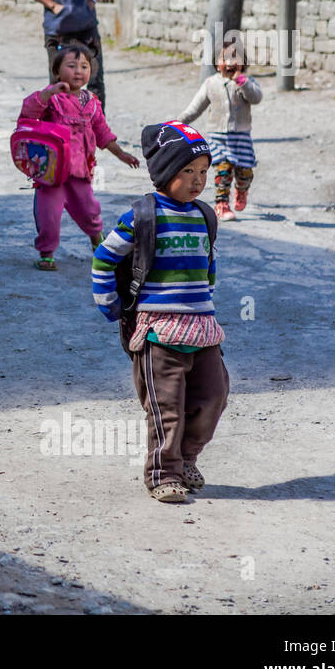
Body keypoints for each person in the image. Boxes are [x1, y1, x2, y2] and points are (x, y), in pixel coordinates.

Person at [91, 122, 229, 504]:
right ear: (165, 172)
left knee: (213, 396)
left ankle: (186, 457)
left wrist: (207, 299)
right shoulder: (142, 216)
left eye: (204, 171)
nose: (198, 180)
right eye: (188, 171)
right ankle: (163, 473)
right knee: (166, 407)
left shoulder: (204, 216)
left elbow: (208, 262)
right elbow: (104, 258)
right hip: (158, 331)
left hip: (202, 327)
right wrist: (108, 303)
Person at [19, 43, 139, 270]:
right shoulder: (51, 99)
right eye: (71, 65)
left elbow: (103, 132)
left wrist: (121, 153)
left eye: (84, 66)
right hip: (51, 171)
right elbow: (28, 111)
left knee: (89, 211)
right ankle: (47, 253)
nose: (78, 71)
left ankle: (97, 239)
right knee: (49, 216)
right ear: (57, 71)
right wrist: (48, 93)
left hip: (80, 171)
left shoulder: (92, 103)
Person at [177, 38, 263, 221]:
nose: (230, 63)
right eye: (225, 58)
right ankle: (221, 204)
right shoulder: (210, 84)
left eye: (235, 57)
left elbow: (256, 98)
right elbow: (196, 107)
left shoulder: (247, 82)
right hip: (218, 137)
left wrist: (242, 82)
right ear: (217, 64)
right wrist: (180, 122)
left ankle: (242, 189)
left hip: (241, 137)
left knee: (245, 171)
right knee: (223, 170)